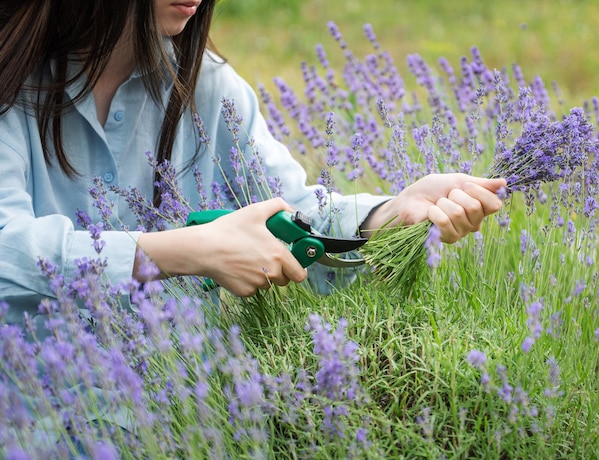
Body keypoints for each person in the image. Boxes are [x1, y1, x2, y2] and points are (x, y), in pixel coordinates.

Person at [0, 0, 505, 314]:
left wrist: (389, 215)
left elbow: (296, 216)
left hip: (177, 417)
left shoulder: (208, 87)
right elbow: (9, 248)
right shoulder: (11, 79)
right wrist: (188, 251)